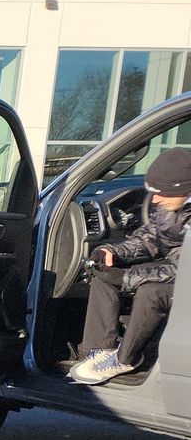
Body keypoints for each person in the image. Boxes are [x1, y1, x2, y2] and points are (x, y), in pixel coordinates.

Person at [68, 146, 188, 385]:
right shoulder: (168, 205)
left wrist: (128, 277)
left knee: (151, 293)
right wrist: (112, 251)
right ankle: (96, 353)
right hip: (175, 271)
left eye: (161, 193)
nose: (155, 199)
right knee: (103, 274)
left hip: (185, 279)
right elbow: (150, 238)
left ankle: (126, 359)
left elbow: (184, 270)